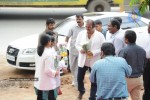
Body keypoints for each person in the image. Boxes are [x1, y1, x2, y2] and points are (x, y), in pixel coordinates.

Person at [75, 19, 105, 100]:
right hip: (83, 60)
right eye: (86, 27)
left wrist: (93, 52)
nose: (87, 29)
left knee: (94, 80)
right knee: (79, 78)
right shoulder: (81, 34)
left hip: (94, 61)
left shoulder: (100, 36)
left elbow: (103, 48)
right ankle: (81, 91)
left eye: (89, 28)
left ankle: (92, 97)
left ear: (94, 27)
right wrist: (80, 49)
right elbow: (77, 44)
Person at [118, 30, 146, 100]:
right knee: (137, 98)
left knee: (122, 98)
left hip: (127, 79)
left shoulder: (124, 50)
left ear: (126, 40)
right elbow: (144, 64)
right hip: (139, 79)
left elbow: (119, 65)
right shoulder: (142, 50)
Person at [34, 34, 59, 100]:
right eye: (50, 41)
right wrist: (55, 73)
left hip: (39, 80)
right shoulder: (48, 54)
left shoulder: (38, 51)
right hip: (47, 83)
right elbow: (47, 70)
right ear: (48, 42)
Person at [65, 14, 85, 87]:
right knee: (72, 67)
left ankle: (77, 82)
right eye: (77, 19)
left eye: (79, 19)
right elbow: (67, 37)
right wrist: (65, 44)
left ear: (83, 19)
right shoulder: (73, 27)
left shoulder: (86, 28)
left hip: (82, 52)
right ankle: (75, 78)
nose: (78, 21)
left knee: (79, 67)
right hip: (72, 50)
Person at [143, 22, 150, 100]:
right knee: (146, 84)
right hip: (147, 63)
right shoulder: (147, 37)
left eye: (149, 27)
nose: (147, 29)